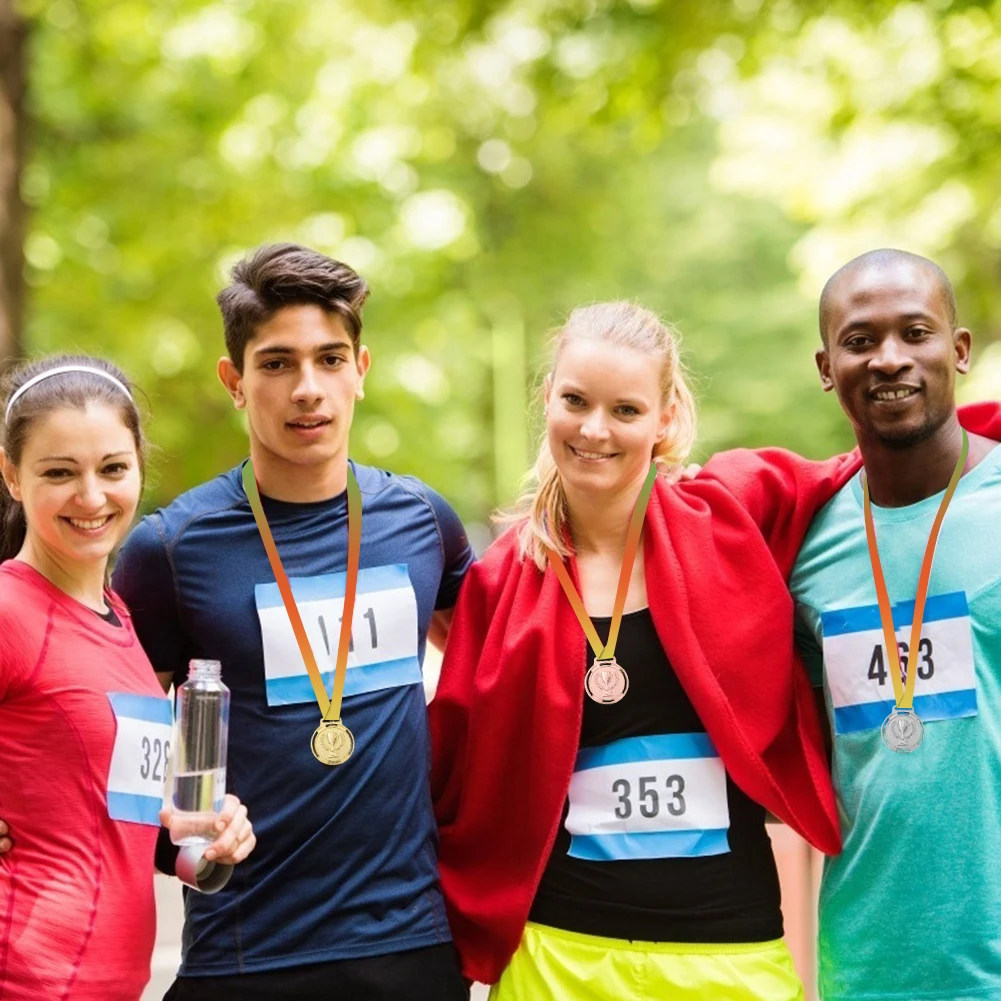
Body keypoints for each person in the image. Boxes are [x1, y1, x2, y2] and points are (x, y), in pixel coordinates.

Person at [429, 301, 846, 1000]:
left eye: (625, 409)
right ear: (548, 402)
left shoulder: (729, 514)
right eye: (575, 401)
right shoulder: (499, 583)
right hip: (556, 958)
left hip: (729, 955)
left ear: (664, 417)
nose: (594, 429)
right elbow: (452, 772)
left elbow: (876, 459)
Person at [108, 244, 474, 1000]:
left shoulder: (421, 520)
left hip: (410, 947)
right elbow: (108, 744)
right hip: (245, 953)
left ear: (361, 369)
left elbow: (508, 672)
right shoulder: (170, 549)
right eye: (276, 363)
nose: (308, 389)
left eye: (329, 358)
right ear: (234, 381)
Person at [0, 356, 255, 1001]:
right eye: (59, 473)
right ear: (11, 476)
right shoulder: (10, 610)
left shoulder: (122, 623)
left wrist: (204, 841)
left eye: (112, 468)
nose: (91, 497)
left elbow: (117, 818)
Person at [789, 249, 1001, 1001]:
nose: (888, 359)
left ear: (959, 349)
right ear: (825, 366)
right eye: (858, 340)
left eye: (914, 332)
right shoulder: (806, 548)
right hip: (867, 968)